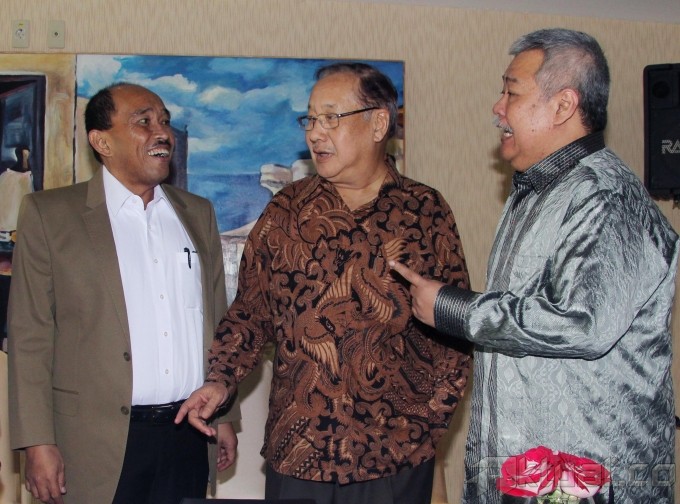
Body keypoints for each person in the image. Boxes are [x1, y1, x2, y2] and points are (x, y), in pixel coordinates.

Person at [390, 28, 679, 503]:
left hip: (584, 482)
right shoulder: (538, 190)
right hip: (529, 476)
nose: (497, 108)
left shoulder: (605, 196)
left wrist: (453, 309)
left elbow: (581, 323)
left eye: (512, 92)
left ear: (563, 106)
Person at [175, 62, 471, 504]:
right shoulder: (286, 212)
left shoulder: (424, 210)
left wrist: (427, 422)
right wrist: (221, 380)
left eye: (331, 117)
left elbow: (455, 324)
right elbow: (251, 313)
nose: (315, 133)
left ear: (378, 123)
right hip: (301, 450)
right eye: (310, 119)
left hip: (394, 455)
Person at [8, 82, 240, 504]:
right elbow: (30, 336)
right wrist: (37, 441)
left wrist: (224, 416)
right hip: (92, 443)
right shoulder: (50, 215)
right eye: (143, 122)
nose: (162, 133)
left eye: (164, 121)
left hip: (189, 434)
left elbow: (216, 321)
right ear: (102, 142)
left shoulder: (197, 213)